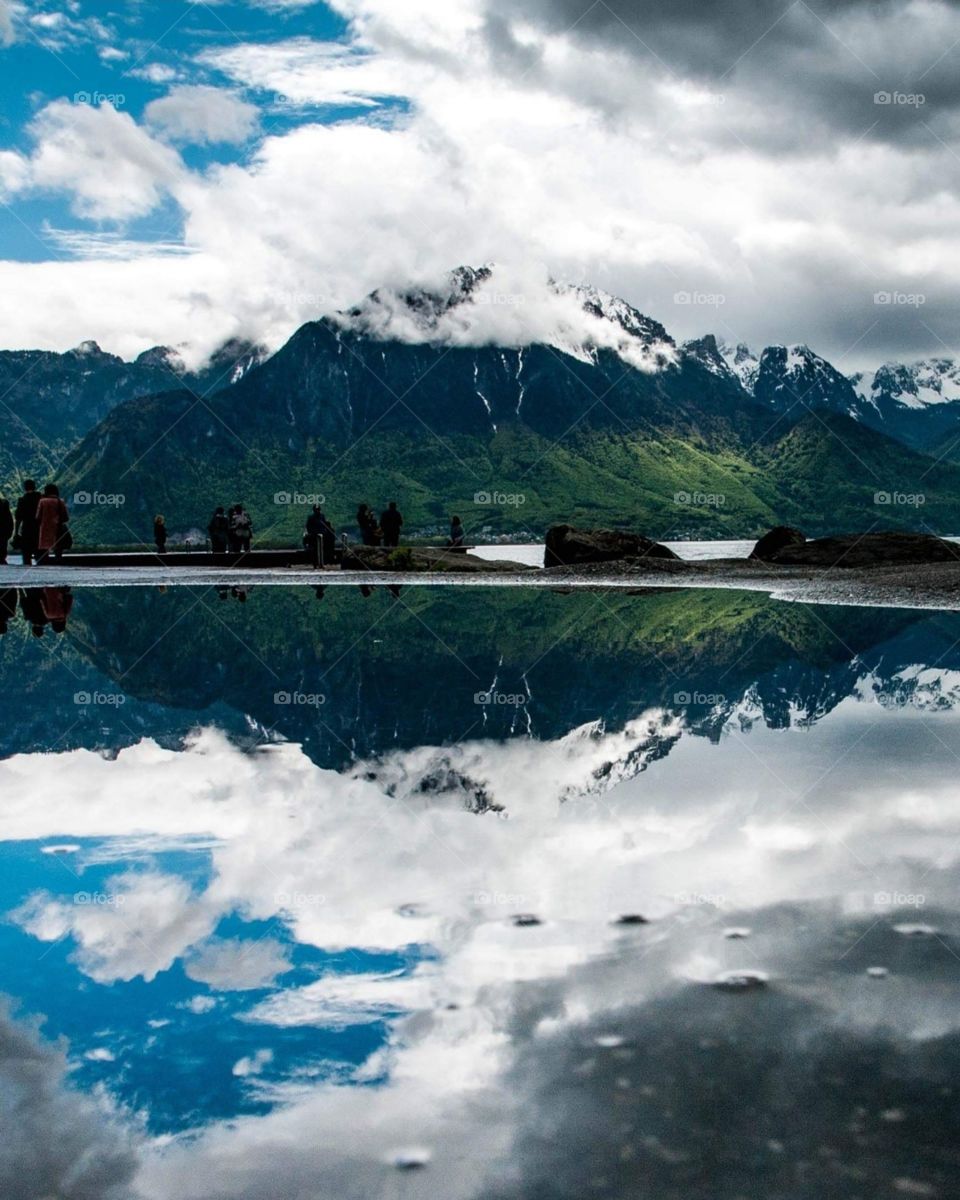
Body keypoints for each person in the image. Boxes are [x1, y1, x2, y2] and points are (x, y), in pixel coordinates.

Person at [35, 484, 69, 564]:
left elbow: (38, 517)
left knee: (44, 549)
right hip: (57, 528)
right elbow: (65, 517)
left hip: (44, 529)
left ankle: (44, 563)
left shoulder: (42, 501)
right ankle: (58, 563)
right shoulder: (60, 501)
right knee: (58, 549)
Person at [14, 480, 40, 566]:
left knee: (26, 555)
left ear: (25, 488)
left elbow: (18, 518)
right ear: (34, 486)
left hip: (27, 529)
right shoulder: (41, 498)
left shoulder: (22, 500)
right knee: (40, 555)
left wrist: (16, 532)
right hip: (39, 529)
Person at [0, 497, 13, 564]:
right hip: (4, 530)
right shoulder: (4, 504)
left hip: (4, 529)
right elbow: (9, 520)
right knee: (3, 544)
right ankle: (2, 558)